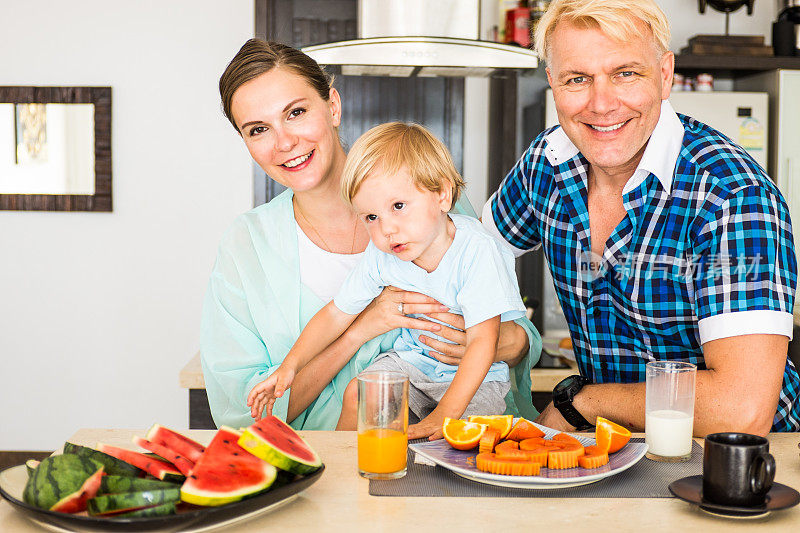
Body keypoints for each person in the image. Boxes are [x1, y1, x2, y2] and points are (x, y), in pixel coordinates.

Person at [482, 0, 799, 435]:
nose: (601, 104)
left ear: (665, 75)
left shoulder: (732, 196)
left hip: (738, 463)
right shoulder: (548, 162)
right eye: (578, 79)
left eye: (625, 74)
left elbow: (740, 408)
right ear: (553, 83)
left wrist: (583, 403)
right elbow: (471, 252)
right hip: (613, 454)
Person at [201, 39, 542, 431]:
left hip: (455, 451)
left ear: (332, 106)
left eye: (296, 112)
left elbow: (521, 340)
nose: (284, 142)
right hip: (325, 469)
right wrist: (361, 329)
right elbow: (245, 414)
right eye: (258, 129)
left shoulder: (429, 201)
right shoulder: (244, 248)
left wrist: (493, 343)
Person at [248, 122, 527, 439]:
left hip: (476, 377)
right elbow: (335, 314)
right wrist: (290, 366)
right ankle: (340, 468)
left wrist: (444, 416)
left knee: (459, 445)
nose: (386, 230)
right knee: (361, 393)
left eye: (398, 206)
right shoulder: (383, 254)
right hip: (412, 364)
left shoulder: (476, 249)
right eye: (371, 217)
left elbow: (482, 341)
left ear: (442, 195)